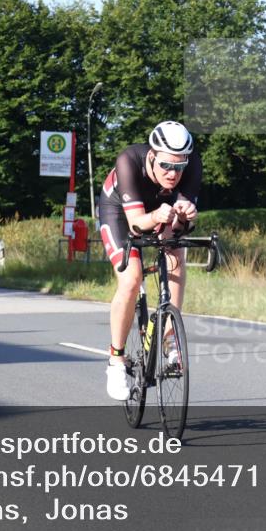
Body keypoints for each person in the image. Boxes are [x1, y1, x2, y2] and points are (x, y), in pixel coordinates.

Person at [98, 121, 201, 400]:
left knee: (175, 250)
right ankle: (116, 360)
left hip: (159, 209)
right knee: (131, 279)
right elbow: (135, 225)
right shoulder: (129, 161)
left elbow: (180, 229)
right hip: (120, 212)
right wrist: (157, 217)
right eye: (166, 166)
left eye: (179, 168)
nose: (173, 174)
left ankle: (170, 340)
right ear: (153, 156)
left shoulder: (191, 166)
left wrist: (185, 216)